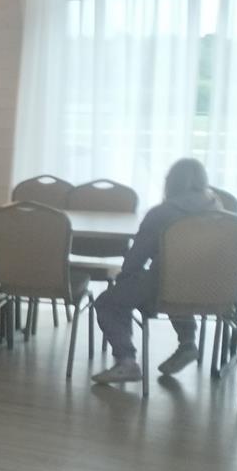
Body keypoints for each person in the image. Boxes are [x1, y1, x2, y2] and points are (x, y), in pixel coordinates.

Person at [91, 158, 224, 386]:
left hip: (166, 286)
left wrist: (124, 280)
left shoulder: (161, 214)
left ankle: (126, 361)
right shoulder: (218, 209)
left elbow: (137, 257)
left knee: (109, 302)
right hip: (213, 290)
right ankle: (187, 343)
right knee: (181, 286)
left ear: (171, 182)